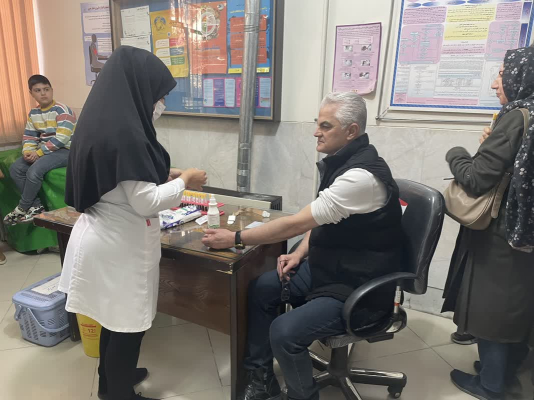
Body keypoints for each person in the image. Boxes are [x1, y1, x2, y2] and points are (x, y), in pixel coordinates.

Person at [202, 92, 405, 400]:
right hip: (330, 268)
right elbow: (323, 219)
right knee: (263, 288)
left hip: (358, 286)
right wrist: (298, 252)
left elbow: (296, 223)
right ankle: (261, 377)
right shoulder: (344, 163)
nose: (315, 132)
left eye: (326, 125)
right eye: (316, 123)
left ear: (351, 131)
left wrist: (234, 238)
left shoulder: (361, 178)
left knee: (285, 332)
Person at [58, 46, 207, 400]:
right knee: (127, 326)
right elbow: (146, 201)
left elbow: (121, 178)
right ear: (140, 88)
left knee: (112, 320)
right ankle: (119, 393)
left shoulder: (101, 122)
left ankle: (111, 383)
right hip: (119, 247)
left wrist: (165, 173)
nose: (161, 103)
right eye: (160, 95)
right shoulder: (127, 134)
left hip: (102, 237)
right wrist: (186, 180)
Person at [443, 46, 534, 400]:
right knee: (516, 304)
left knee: (490, 307)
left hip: (503, 232)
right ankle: (506, 371)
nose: (496, 83)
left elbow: (477, 178)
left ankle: (491, 385)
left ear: (521, 76)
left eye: (502, 74)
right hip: (526, 230)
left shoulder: (516, 117)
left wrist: (456, 154)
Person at [3, 75, 77, 225]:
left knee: (34, 170)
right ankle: (36, 206)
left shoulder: (62, 110)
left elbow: (62, 139)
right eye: (38, 90)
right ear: (31, 93)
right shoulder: (34, 113)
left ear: (52, 90)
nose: (43, 93)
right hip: (46, 150)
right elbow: (30, 136)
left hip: (66, 150)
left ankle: (23, 207)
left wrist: (39, 153)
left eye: (46, 89)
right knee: (16, 168)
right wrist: (27, 152)